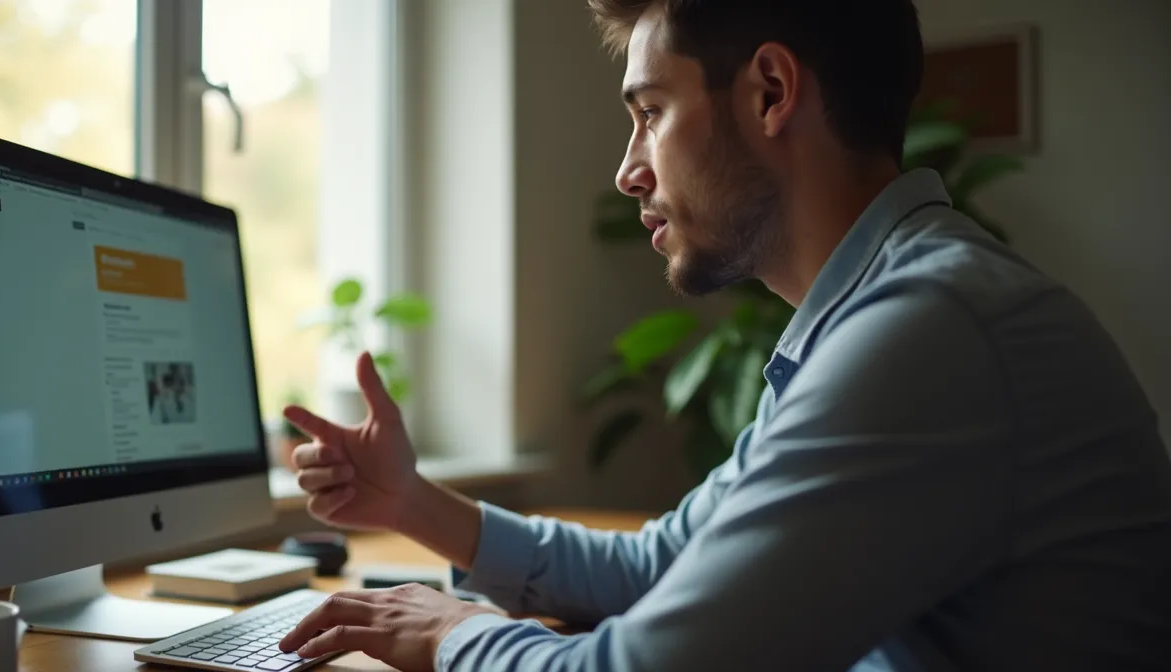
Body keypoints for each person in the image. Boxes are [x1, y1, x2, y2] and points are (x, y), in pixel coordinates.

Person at [277, 1, 1171, 670]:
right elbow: (659, 566)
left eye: (651, 112)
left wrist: (459, 636)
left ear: (772, 92)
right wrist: (412, 506)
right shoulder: (875, 316)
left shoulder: (932, 332)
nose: (629, 170)